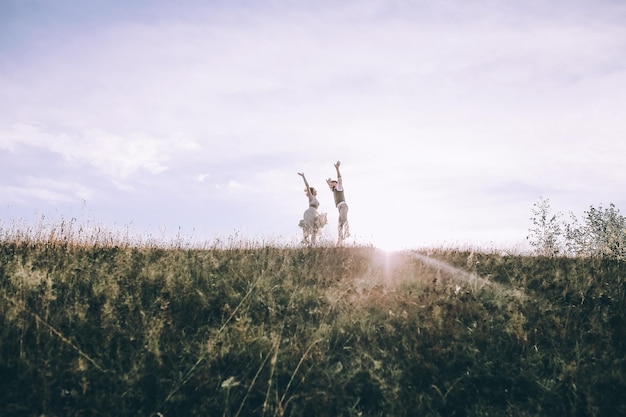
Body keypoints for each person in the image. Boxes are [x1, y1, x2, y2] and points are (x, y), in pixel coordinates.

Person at [297, 172, 327, 245]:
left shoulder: (316, 199)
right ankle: (305, 239)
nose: (316, 191)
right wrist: (303, 176)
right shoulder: (311, 197)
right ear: (312, 191)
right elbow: (307, 185)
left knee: (315, 230)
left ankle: (313, 245)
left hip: (315, 213)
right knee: (308, 226)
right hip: (310, 212)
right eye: (315, 190)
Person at [326, 161, 350, 245]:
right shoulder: (334, 190)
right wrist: (328, 183)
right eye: (331, 184)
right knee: (339, 225)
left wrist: (337, 168)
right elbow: (330, 186)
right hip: (339, 208)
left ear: (336, 184)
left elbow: (339, 178)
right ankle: (339, 241)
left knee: (344, 220)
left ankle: (347, 233)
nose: (332, 185)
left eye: (333, 183)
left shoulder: (339, 187)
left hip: (343, 206)